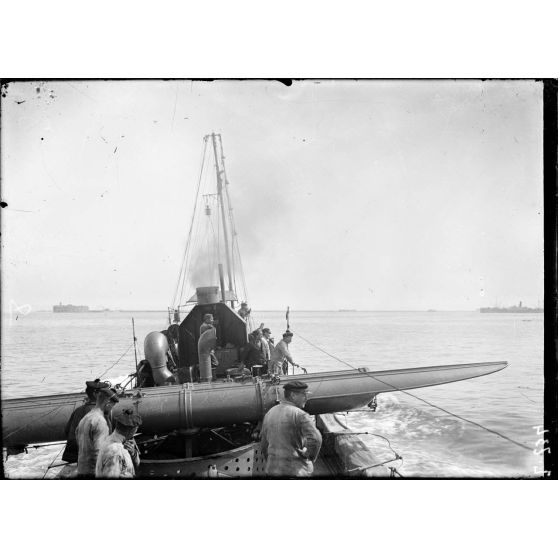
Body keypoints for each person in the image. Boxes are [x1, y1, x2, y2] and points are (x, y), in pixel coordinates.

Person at [259, 380, 322, 477]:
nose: (306, 398)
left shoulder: (270, 413)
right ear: (293, 395)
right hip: (295, 471)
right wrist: (309, 455)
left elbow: (264, 443)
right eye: (304, 395)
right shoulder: (300, 414)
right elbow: (316, 439)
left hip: (273, 471)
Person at [62, 378, 110, 463]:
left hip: (74, 455)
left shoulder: (78, 411)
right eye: (105, 394)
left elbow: (67, 431)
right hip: (92, 458)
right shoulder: (102, 413)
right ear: (96, 394)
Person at [75, 387, 119, 478]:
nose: (111, 409)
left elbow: (78, 442)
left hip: (81, 470)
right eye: (112, 406)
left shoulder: (85, 418)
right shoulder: (101, 422)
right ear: (107, 403)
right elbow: (99, 452)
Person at [96, 409, 143, 479]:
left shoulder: (113, 441)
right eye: (136, 429)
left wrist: (133, 454)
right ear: (132, 430)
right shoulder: (115, 452)